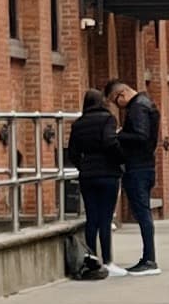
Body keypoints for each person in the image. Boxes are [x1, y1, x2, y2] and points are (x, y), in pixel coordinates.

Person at [65, 81, 122, 274]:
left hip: (88, 175)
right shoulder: (108, 119)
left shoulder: (78, 124)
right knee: (105, 218)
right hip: (108, 173)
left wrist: (83, 166)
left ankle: (92, 259)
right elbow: (110, 142)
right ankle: (108, 261)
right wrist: (120, 159)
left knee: (92, 218)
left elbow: (72, 152)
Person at [109, 75, 161, 270]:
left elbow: (141, 135)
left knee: (142, 212)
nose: (118, 106)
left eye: (116, 101)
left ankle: (149, 259)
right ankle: (148, 257)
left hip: (138, 166)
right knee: (142, 211)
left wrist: (119, 135)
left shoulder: (138, 107)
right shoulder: (145, 104)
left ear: (121, 94)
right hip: (145, 164)